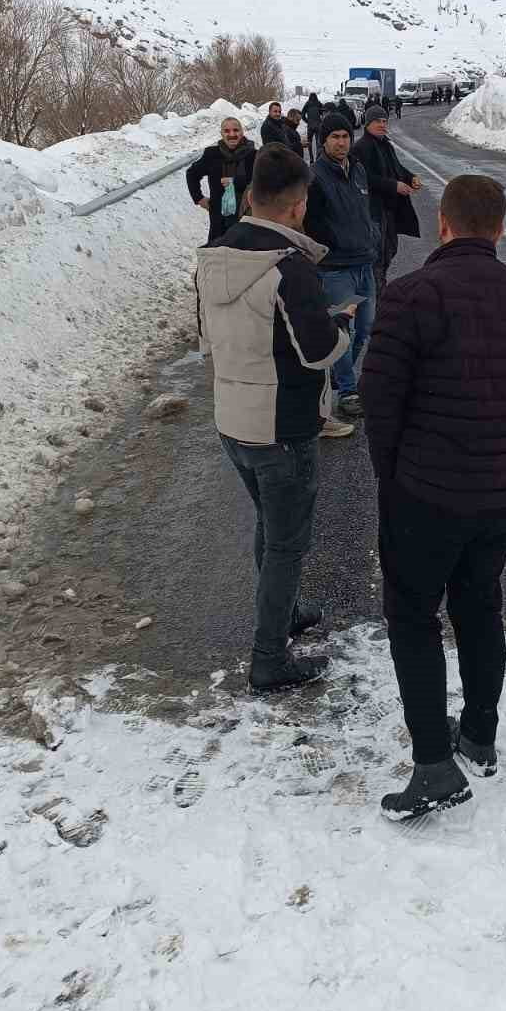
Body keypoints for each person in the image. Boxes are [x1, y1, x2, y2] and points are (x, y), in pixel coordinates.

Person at [360, 174, 506, 820]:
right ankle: (479, 733)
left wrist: (393, 476)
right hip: (501, 496)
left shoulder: (410, 296)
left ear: (442, 224)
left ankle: (433, 766)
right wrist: (501, 445)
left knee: (414, 617)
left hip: (425, 494)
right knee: (480, 608)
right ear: (499, 228)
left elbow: (381, 404)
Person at [196, 147, 357, 694]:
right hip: (282, 426)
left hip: (231, 419)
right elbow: (316, 352)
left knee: (270, 525)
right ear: (296, 207)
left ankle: (282, 614)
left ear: (249, 198)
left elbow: (209, 339)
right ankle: (269, 659)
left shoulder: (214, 257)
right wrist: (343, 328)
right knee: (287, 542)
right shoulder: (289, 268)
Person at [303, 113, 378, 421]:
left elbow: (365, 209)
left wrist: (371, 234)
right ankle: (348, 391)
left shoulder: (358, 170)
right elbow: (312, 221)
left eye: (345, 136)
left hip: (364, 263)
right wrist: (335, 242)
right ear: (324, 141)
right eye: (334, 136)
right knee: (343, 332)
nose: (341, 142)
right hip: (336, 269)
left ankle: (339, 373)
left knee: (366, 327)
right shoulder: (315, 176)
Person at [351, 105, 421, 296]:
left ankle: (378, 290)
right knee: (377, 257)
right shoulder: (361, 148)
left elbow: (396, 168)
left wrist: (410, 177)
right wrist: (394, 186)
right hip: (373, 211)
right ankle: (375, 297)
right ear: (367, 124)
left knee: (390, 250)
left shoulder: (385, 145)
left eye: (384, 121)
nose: (382, 125)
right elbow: (365, 179)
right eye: (378, 121)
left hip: (389, 209)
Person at [186, 115, 257, 244]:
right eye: (227, 131)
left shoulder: (254, 155)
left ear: (242, 132)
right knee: (217, 257)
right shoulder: (211, 155)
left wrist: (235, 182)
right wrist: (199, 198)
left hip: (246, 216)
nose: (232, 134)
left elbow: (260, 182)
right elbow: (192, 174)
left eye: (236, 130)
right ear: (221, 133)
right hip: (219, 220)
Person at [302, 92, 324, 162]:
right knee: (318, 143)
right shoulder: (319, 103)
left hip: (310, 126)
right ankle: (318, 157)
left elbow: (302, 115)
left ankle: (311, 158)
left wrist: (307, 121)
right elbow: (323, 112)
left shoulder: (307, 104)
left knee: (309, 142)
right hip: (318, 126)